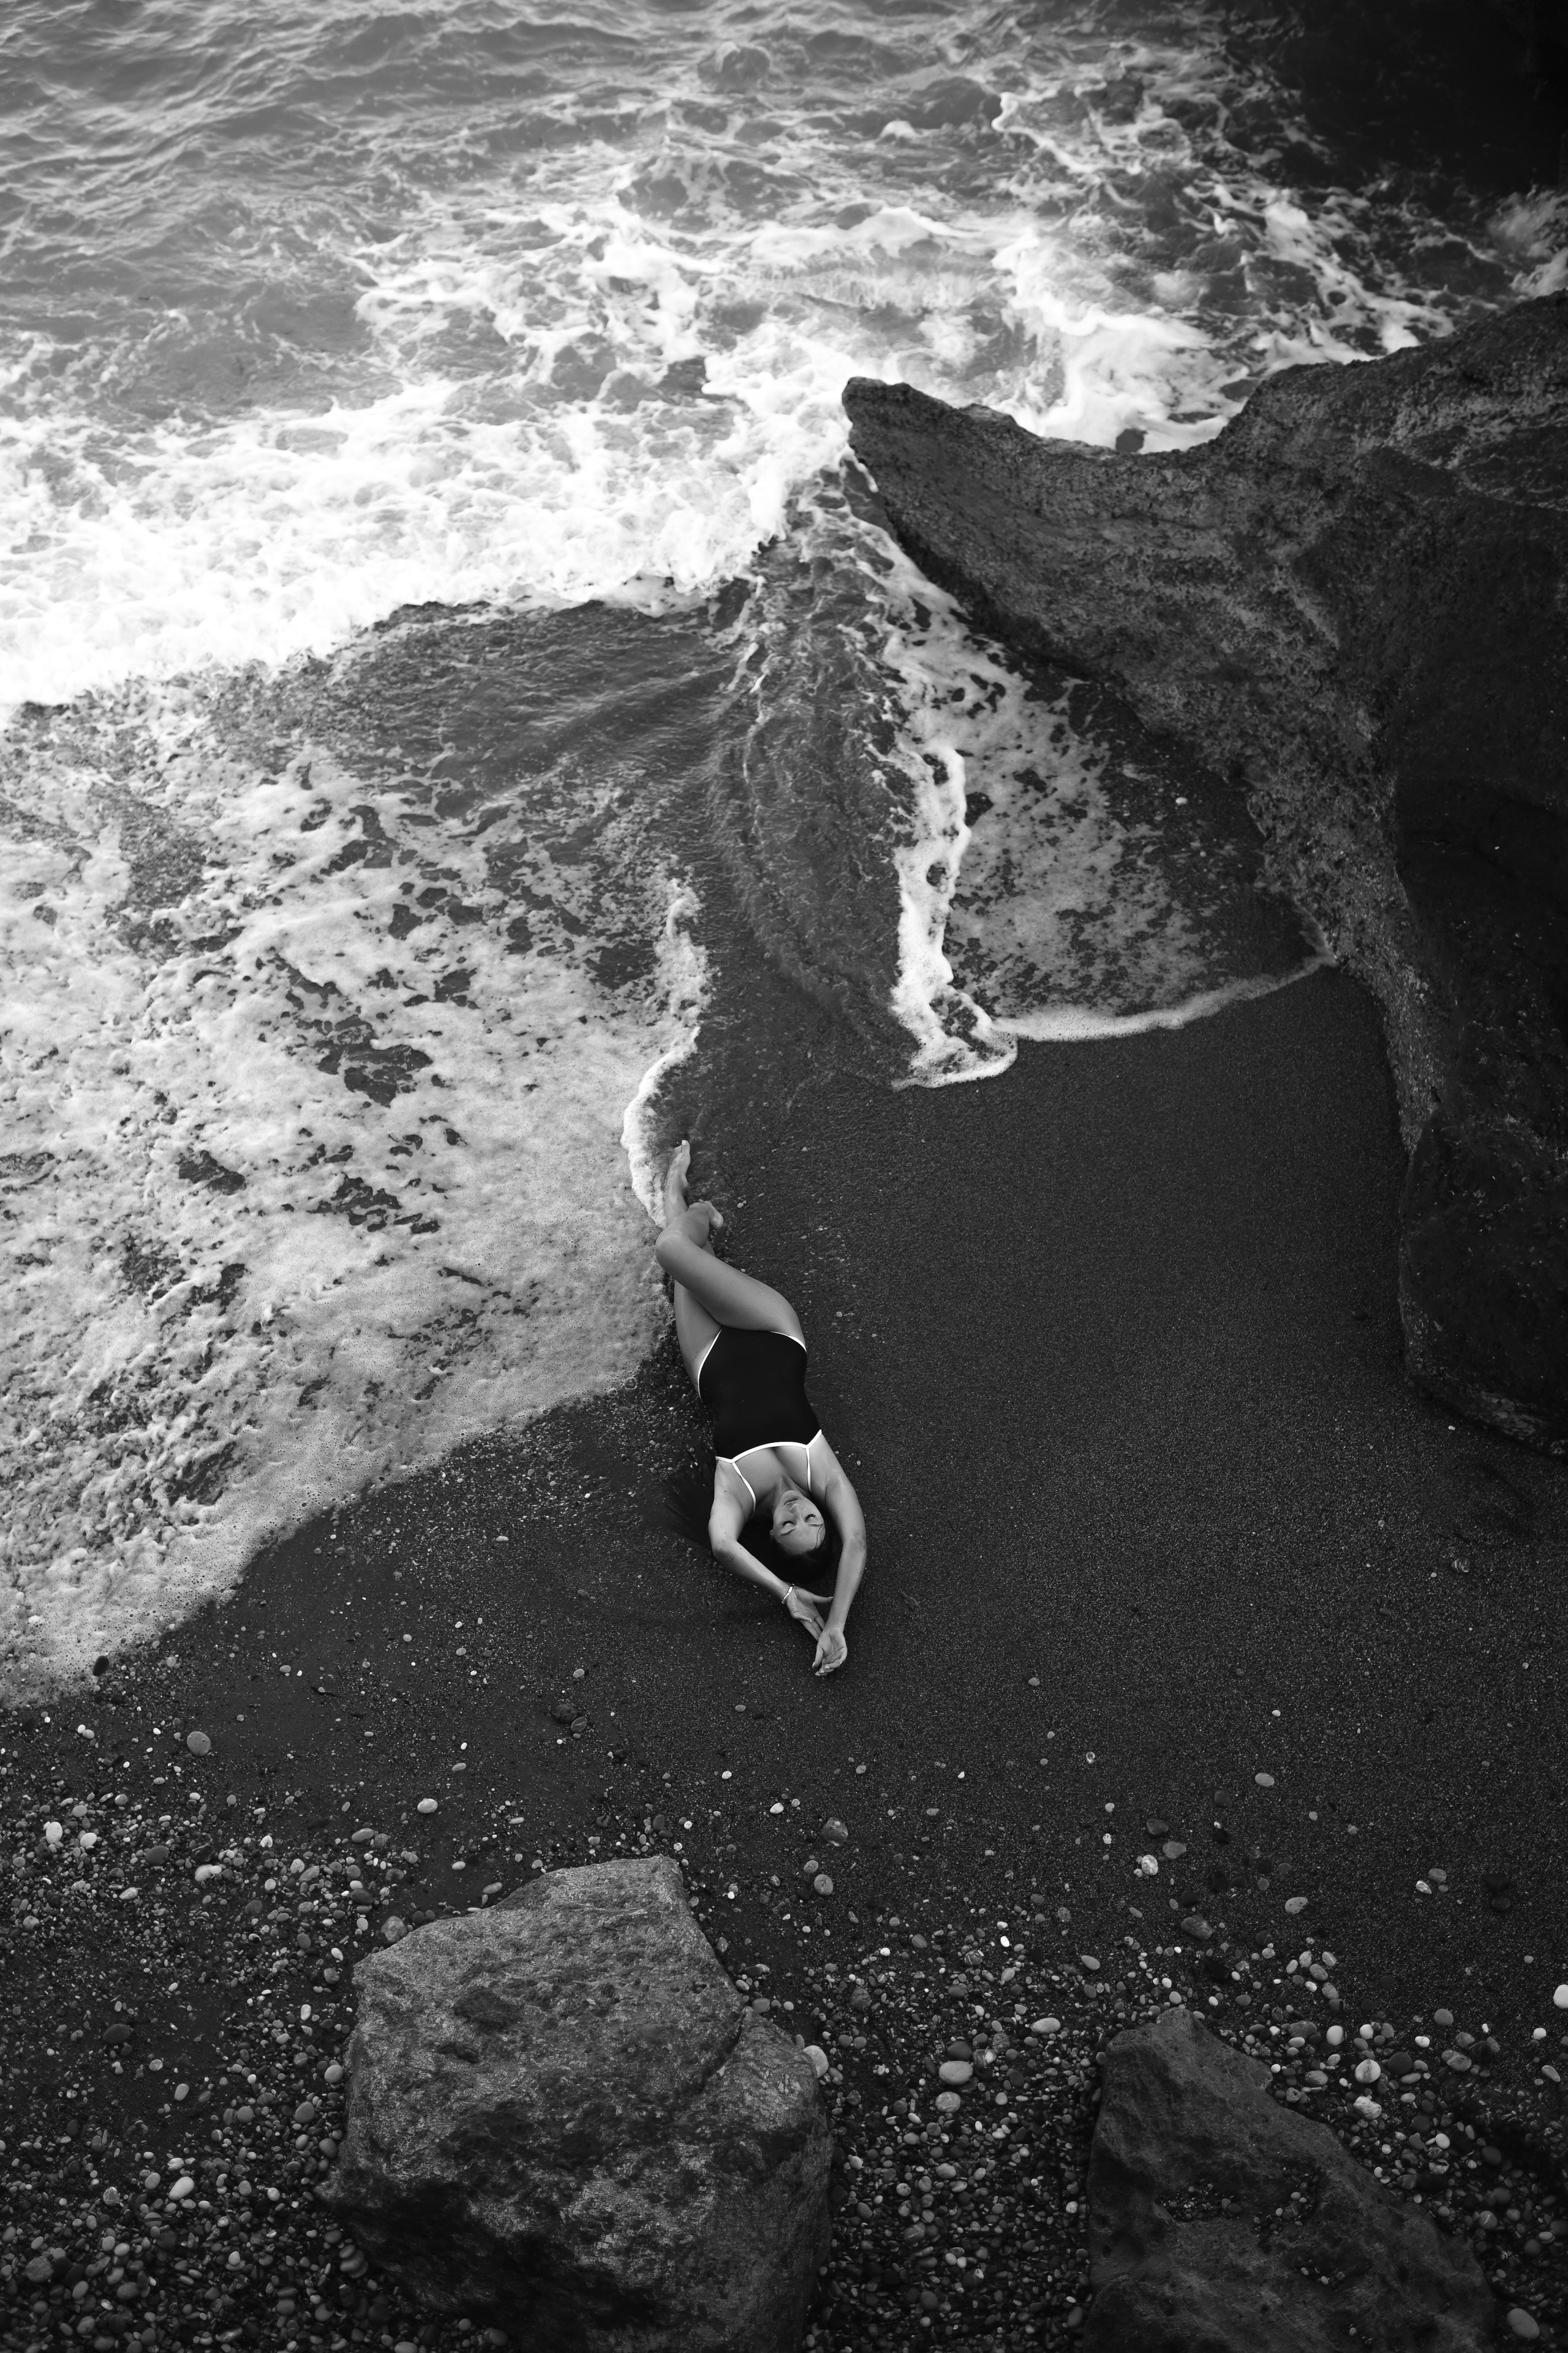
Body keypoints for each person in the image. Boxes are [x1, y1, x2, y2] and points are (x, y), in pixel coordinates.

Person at [657, 1142, 865, 1677]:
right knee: (673, 1252)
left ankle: (678, 1201)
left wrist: (787, 1595)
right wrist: (837, 1621)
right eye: (814, 1519)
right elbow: (858, 1541)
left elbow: (723, 1547)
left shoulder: (737, 1494)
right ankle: (697, 1213)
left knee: (683, 1263)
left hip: (709, 1358)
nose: (800, 1509)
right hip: (772, 1329)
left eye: (791, 1524)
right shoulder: (821, 1471)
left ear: (772, 1535)